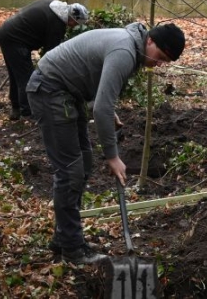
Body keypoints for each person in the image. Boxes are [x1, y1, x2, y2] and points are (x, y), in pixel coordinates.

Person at [27, 21, 186, 264]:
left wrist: (108, 112)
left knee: (84, 163)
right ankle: (72, 248)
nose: (160, 64)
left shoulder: (131, 47)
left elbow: (96, 87)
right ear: (150, 40)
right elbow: (101, 107)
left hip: (68, 92)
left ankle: (65, 238)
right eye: (161, 56)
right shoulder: (124, 51)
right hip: (50, 89)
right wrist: (112, 156)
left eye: (166, 62)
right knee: (71, 171)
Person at [0, 0, 89, 120]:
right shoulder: (57, 23)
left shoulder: (54, 5)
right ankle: (28, 113)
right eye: (75, 24)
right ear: (72, 18)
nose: (74, 27)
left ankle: (16, 109)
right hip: (15, 40)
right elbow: (51, 54)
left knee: (16, 75)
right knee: (26, 78)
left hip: (6, 32)